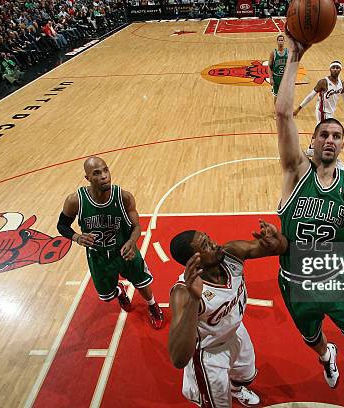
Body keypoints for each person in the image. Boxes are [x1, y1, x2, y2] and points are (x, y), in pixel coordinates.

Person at [274, 33, 344, 388]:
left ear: (343, 143)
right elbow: (282, 113)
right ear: (313, 141)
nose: (330, 139)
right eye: (324, 135)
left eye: (337, 136)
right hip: (294, 282)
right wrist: (294, 56)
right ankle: (326, 357)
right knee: (312, 339)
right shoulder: (295, 172)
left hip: (335, 278)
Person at [168, 220, 288, 407]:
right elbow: (178, 358)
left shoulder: (231, 253)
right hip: (209, 352)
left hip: (236, 331)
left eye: (209, 239)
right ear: (194, 260)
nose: (215, 244)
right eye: (206, 246)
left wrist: (276, 240)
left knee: (246, 375)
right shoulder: (183, 292)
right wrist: (194, 300)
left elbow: (279, 248)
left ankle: (236, 389)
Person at [57, 156, 164, 329]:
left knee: (142, 281)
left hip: (125, 249)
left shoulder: (124, 197)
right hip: (98, 256)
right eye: (97, 173)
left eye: (106, 170)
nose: (104, 176)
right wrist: (76, 237)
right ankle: (119, 291)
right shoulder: (75, 201)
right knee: (106, 296)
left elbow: (136, 226)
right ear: (88, 178)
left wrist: (132, 241)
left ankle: (152, 305)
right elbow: (62, 225)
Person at [294, 60, 344, 160]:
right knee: (326, 130)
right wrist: (299, 108)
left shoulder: (341, 83)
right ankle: (317, 150)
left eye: (337, 68)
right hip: (322, 111)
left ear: (340, 69)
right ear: (330, 69)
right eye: (333, 67)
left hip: (331, 111)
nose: (335, 69)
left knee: (320, 130)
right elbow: (311, 95)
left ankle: (313, 150)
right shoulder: (323, 82)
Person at [268, 34, 288, 118]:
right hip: (276, 78)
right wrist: (271, 78)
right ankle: (276, 112)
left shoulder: (288, 52)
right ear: (277, 41)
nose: (280, 41)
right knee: (276, 96)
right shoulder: (273, 53)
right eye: (279, 40)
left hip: (285, 78)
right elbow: (269, 66)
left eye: (282, 40)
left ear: (284, 41)